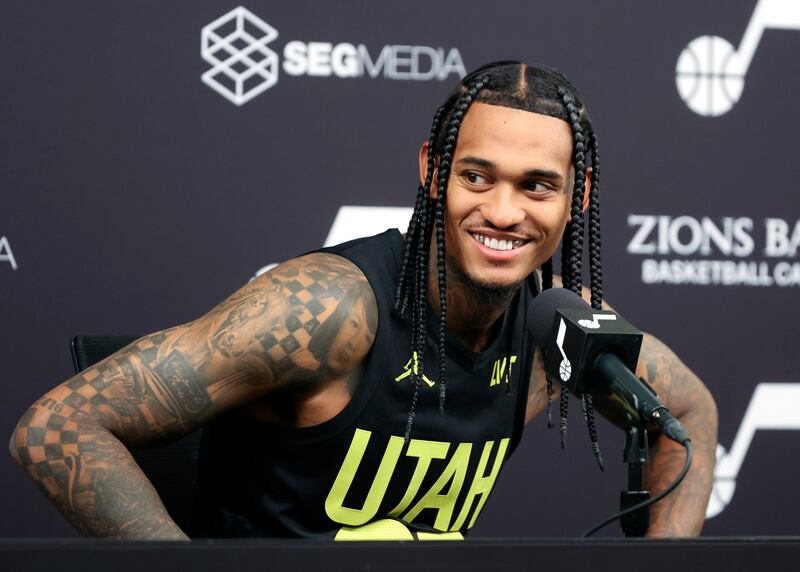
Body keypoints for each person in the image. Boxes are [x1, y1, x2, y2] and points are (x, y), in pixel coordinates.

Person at [9, 61, 718, 540]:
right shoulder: (326, 311)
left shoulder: (554, 327)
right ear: (433, 171)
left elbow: (687, 412)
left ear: (576, 198)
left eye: (536, 185)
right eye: (477, 177)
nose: (504, 212)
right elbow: (55, 430)